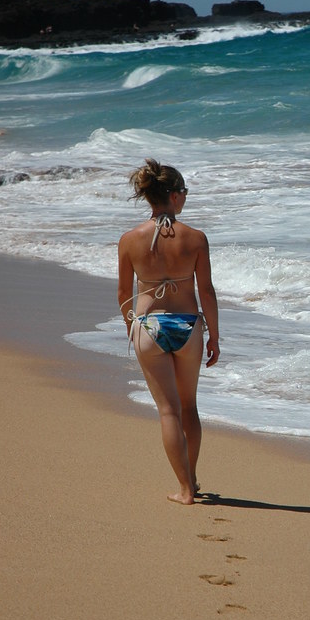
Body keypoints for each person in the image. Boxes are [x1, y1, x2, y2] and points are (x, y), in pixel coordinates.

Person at [117, 158, 220, 504]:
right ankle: (191, 477)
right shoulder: (195, 238)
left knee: (168, 411)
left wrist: (133, 329)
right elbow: (206, 292)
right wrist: (215, 337)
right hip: (189, 327)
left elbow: (123, 294)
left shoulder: (130, 240)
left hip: (149, 326)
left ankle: (185, 489)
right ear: (175, 196)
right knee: (188, 407)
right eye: (184, 192)